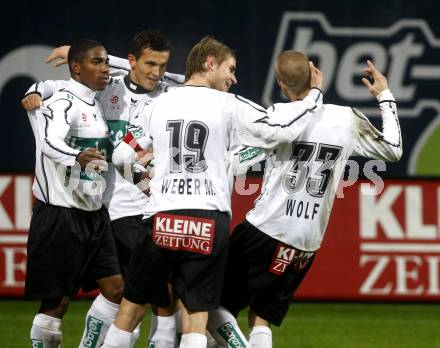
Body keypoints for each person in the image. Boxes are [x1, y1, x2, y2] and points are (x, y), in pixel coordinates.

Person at [103, 36, 323, 348]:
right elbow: (282, 130)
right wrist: (314, 94)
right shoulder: (230, 105)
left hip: (161, 217)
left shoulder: (157, 104)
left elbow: (121, 157)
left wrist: (147, 187)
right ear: (210, 64)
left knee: (129, 311)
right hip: (207, 219)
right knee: (195, 318)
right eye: (230, 69)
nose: (234, 78)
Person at [218, 51, 402, 347]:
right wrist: (385, 95)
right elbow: (394, 149)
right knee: (261, 315)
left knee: (213, 306)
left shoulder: (279, 115)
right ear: (315, 73)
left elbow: (238, 162)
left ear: (281, 84)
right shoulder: (347, 119)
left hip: (266, 230)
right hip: (305, 243)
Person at [21, 30, 184, 347]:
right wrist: (42, 88)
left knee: (130, 293)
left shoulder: (169, 95)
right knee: (146, 295)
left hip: (128, 208)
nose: (157, 72)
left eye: (162, 65)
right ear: (134, 61)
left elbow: (194, 80)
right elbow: (54, 109)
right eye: (150, 63)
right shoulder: (102, 91)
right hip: (100, 209)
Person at [24, 38, 124, 348]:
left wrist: (72, 54)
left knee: (116, 289)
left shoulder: (95, 101)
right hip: (60, 215)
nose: (105, 68)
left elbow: (130, 70)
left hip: (94, 214)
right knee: (57, 305)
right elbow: (48, 142)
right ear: (77, 68)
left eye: (106, 61)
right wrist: (76, 156)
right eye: (97, 62)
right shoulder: (60, 102)